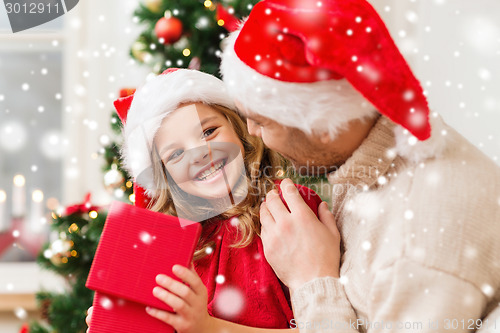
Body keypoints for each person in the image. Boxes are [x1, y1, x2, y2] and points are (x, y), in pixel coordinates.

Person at [220, 0, 500, 332]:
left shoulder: (416, 252)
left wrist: (310, 280)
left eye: (262, 121)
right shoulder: (372, 143)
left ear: (322, 126)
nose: (251, 132)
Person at [86, 68, 329, 333]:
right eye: (176, 154)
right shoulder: (169, 247)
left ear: (239, 130)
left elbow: (330, 324)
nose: (199, 154)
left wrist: (207, 327)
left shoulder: (288, 209)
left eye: (209, 131)